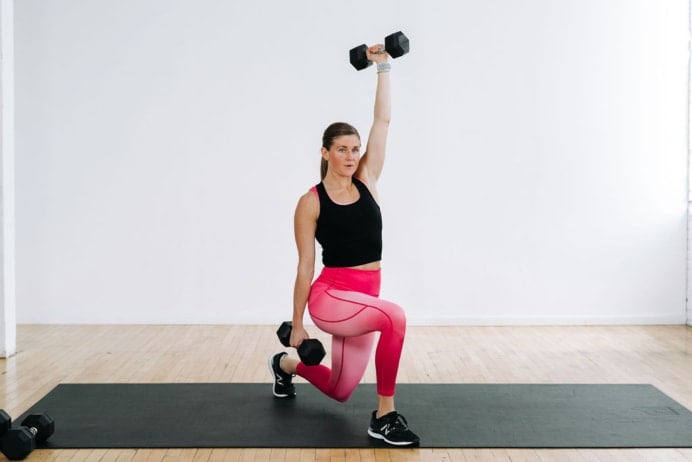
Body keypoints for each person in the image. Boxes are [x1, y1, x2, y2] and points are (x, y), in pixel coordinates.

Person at [268, 42, 419, 447]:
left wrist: (383, 68)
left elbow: (382, 122)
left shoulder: (367, 180)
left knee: (340, 388)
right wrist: (298, 324)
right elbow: (304, 267)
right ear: (325, 152)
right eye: (343, 150)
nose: (352, 156)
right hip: (332, 297)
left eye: (355, 149)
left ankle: (283, 365)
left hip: (367, 295)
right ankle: (384, 417)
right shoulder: (310, 202)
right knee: (396, 317)